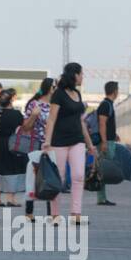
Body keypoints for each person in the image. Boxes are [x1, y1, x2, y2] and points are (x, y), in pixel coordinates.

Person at [42, 62, 96, 224]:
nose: (83, 77)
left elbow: (81, 121)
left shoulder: (78, 94)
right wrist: (47, 142)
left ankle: (76, 214)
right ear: (74, 75)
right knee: (58, 178)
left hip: (77, 140)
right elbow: (51, 119)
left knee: (78, 175)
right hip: (58, 142)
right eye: (81, 74)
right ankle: (55, 215)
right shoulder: (58, 94)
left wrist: (90, 144)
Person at [21, 78, 55, 222]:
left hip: (52, 145)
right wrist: (34, 115)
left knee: (50, 177)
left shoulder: (56, 105)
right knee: (32, 178)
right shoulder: (34, 104)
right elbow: (25, 127)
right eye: (55, 86)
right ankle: (29, 213)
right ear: (49, 88)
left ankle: (51, 213)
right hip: (35, 145)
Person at [0, 89, 27, 207]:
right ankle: (10, 199)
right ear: (11, 101)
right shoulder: (16, 114)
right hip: (10, 143)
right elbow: (23, 127)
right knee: (11, 168)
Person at [94, 81, 119, 207]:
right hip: (106, 142)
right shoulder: (106, 105)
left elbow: (107, 124)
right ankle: (101, 198)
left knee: (103, 169)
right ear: (115, 91)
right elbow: (102, 123)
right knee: (103, 169)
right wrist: (104, 142)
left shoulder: (108, 104)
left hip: (109, 139)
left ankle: (102, 198)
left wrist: (114, 134)